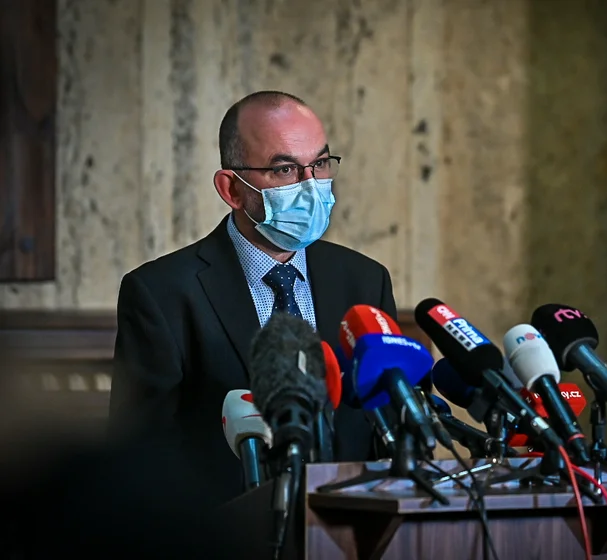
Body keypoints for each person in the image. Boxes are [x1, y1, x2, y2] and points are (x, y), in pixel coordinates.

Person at [109, 91, 397, 505]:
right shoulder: (162, 293)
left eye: (319, 164)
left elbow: (386, 426)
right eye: (284, 169)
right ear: (232, 189)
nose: (311, 186)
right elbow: (140, 457)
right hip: (223, 529)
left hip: (352, 522)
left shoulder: (364, 280)